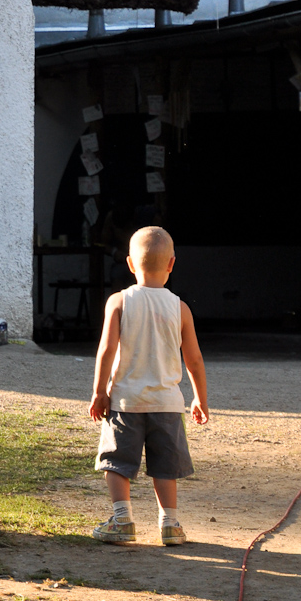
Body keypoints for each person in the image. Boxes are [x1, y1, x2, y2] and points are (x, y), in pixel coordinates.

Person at [88, 226, 209, 546]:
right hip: (167, 404)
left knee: (117, 462)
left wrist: (100, 392)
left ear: (130, 264)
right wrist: (200, 398)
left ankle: (122, 520)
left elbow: (106, 351)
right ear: (171, 264)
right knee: (165, 466)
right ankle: (170, 524)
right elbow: (194, 360)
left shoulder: (118, 301)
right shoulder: (180, 308)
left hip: (126, 401)